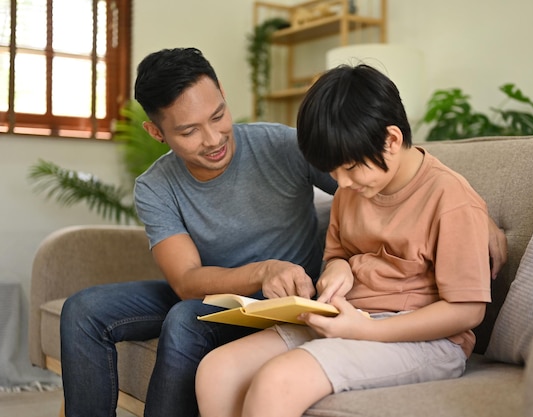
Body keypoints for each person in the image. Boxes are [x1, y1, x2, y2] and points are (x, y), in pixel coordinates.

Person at [60, 48, 506, 417]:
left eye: (219, 115)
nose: (214, 138)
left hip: (361, 317)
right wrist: (325, 270)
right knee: (99, 315)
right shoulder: (157, 187)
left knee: (196, 328)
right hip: (238, 293)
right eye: (191, 130)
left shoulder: (292, 149)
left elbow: (412, 187)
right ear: (157, 132)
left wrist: (478, 214)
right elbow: (187, 281)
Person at [195, 64, 494, 417]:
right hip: (348, 318)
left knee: (278, 381)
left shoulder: (450, 198)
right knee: (217, 370)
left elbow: (468, 310)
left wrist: (366, 330)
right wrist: (339, 271)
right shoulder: (350, 191)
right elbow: (340, 254)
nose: (342, 182)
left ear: (392, 140)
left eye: (349, 168)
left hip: (424, 339)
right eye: (333, 171)